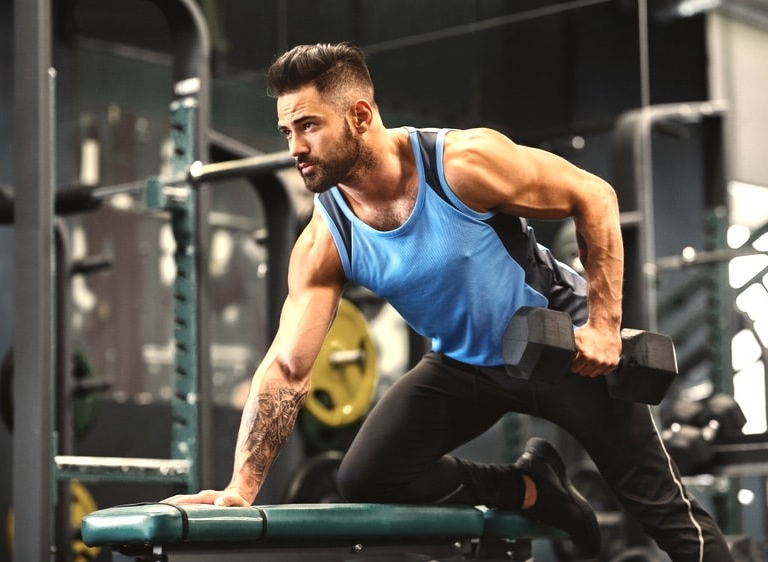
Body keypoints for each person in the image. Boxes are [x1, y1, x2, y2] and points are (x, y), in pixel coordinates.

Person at [164, 42, 733, 561]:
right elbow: (288, 368)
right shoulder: (324, 240)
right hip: (465, 365)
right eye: (287, 131)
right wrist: (242, 487)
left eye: (308, 126)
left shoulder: (462, 164)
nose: (296, 147)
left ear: (360, 115)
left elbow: (595, 196)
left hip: (561, 343)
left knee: (664, 514)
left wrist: (606, 327)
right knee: (366, 476)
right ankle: (532, 489)